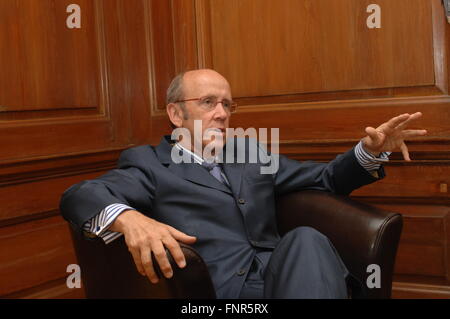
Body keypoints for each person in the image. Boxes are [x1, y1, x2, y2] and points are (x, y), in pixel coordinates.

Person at [60, 69, 427, 299]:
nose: (221, 113)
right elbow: (78, 195)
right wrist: (130, 219)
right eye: (207, 103)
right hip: (219, 291)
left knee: (306, 238)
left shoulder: (250, 152)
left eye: (227, 104)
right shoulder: (149, 162)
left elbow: (326, 178)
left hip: (283, 276)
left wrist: (368, 151)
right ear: (176, 113)